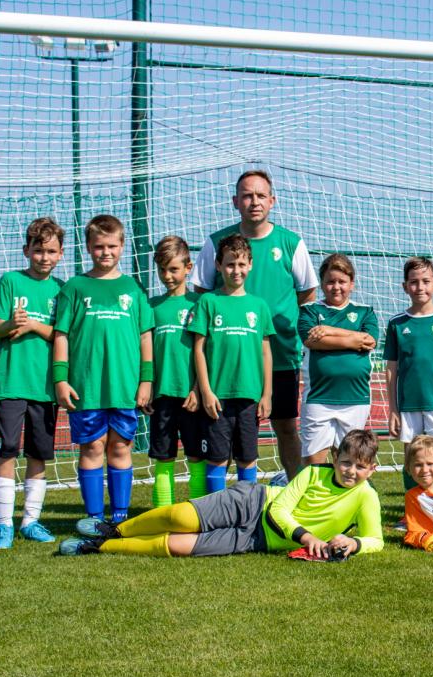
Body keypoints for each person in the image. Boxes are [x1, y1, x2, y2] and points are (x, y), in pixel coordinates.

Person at [59, 429, 383, 559]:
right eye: (345, 463)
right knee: (179, 517)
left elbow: (375, 540)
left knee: (178, 546)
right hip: (253, 502)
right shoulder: (313, 473)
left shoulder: (366, 497)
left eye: (359, 467)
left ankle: (98, 546)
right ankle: (114, 529)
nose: (350, 471)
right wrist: (307, 537)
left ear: (371, 469)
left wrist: (353, 544)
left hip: (257, 540)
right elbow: (278, 511)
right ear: (335, 459)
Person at [194, 170, 318, 481]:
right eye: (247, 195)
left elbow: (307, 294)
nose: (254, 202)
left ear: (272, 201)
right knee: (224, 432)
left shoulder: (291, 243)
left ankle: (294, 490)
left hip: (280, 354)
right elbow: (200, 292)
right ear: (235, 201)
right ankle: (220, 501)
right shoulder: (216, 243)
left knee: (286, 426)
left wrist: (288, 327)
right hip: (227, 363)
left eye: (261, 195)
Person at [53, 214, 154, 524]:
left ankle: (120, 517)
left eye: (112, 246)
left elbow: (145, 336)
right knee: (92, 446)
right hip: (87, 386)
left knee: (121, 446)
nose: (105, 252)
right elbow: (61, 335)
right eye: (99, 246)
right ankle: (94, 519)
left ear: (122, 246)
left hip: (124, 385)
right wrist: (60, 379)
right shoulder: (75, 287)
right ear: (88, 247)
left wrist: (146, 380)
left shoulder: (133, 288)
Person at [0, 218, 64, 548]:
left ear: (61, 254)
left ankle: (30, 521)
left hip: (44, 387)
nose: (44, 257)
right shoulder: (11, 281)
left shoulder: (62, 289)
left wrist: (32, 325)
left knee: (38, 454)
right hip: (11, 383)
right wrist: (10, 324)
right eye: (38, 251)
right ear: (26, 251)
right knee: (7, 449)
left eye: (51, 251)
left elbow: (63, 335)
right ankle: (3, 524)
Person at [188, 234, 275, 492]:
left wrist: (267, 394)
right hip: (217, 396)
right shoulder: (208, 302)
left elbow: (266, 353)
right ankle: (216, 510)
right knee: (216, 457)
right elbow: (199, 349)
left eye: (241, 264)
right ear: (218, 265)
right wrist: (205, 391)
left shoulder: (259, 306)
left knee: (247, 457)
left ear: (250, 265)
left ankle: (246, 510)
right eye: (229, 264)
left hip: (249, 395)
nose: (236, 270)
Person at [384, 256, 433, 493]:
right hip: (408, 404)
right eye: (414, 282)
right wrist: (393, 409)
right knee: (412, 455)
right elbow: (391, 369)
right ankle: (414, 507)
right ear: (405, 286)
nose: (420, 287)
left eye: (426, 281)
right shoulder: (397, 323)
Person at [297, 253, 378, 465]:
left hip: (356, 398)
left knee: (351, 462)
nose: (336, 287)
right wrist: (354, 339)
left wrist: (328, 330)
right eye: (330, 282)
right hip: (319, 397)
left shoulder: (365, 312)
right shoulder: (309, 311)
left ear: (352, 284)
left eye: (342, 281)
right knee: (313, 464)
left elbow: (369, 341)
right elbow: (312, 341)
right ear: (322, 284)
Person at [146, 235, 206, 507]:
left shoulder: (200, 304)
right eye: (162, 270)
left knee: (197, 457)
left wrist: (197, 388)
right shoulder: (151, 306)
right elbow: (145, 351)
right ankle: (163, 514)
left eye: (173, 269)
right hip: (162, 395)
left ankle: (199, 515)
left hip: (192, 396)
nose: (167, 276)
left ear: (188, 267)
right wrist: (147, 384)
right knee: (163, 458)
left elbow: (207, 352)